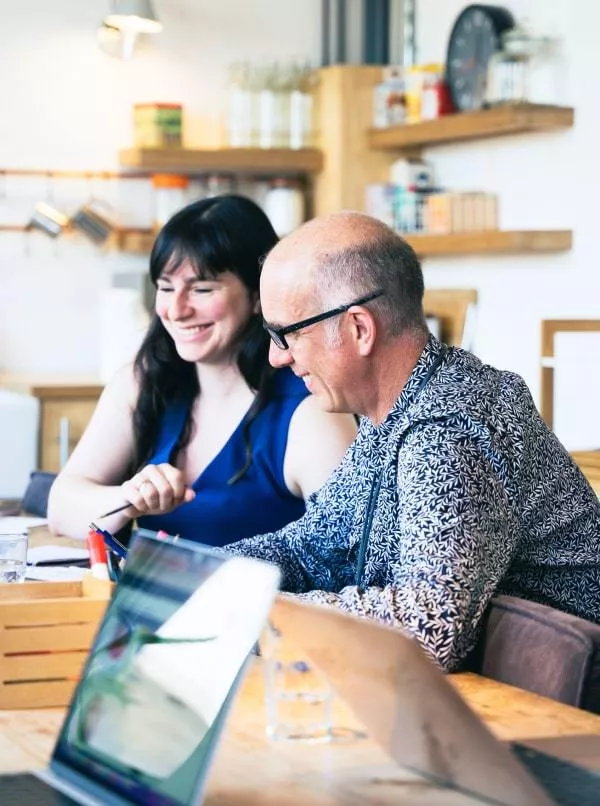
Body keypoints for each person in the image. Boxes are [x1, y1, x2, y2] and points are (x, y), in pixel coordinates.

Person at [228, 210, 600, 672]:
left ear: (359, 329)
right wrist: (202, 576)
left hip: (556, 721)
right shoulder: (391, 414)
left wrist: (252, 612)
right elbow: (313, 548)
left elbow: (427, 629)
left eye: (286, 334)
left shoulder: (454, 422)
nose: (276, 357)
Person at [48, 196, 356, 544]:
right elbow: (61, 509)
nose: (177, 310)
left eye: (201, 289)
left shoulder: (310, 413)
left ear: (259, 295)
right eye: (166, 288)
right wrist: (129, 499)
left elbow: (351, 560)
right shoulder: (142, 383)